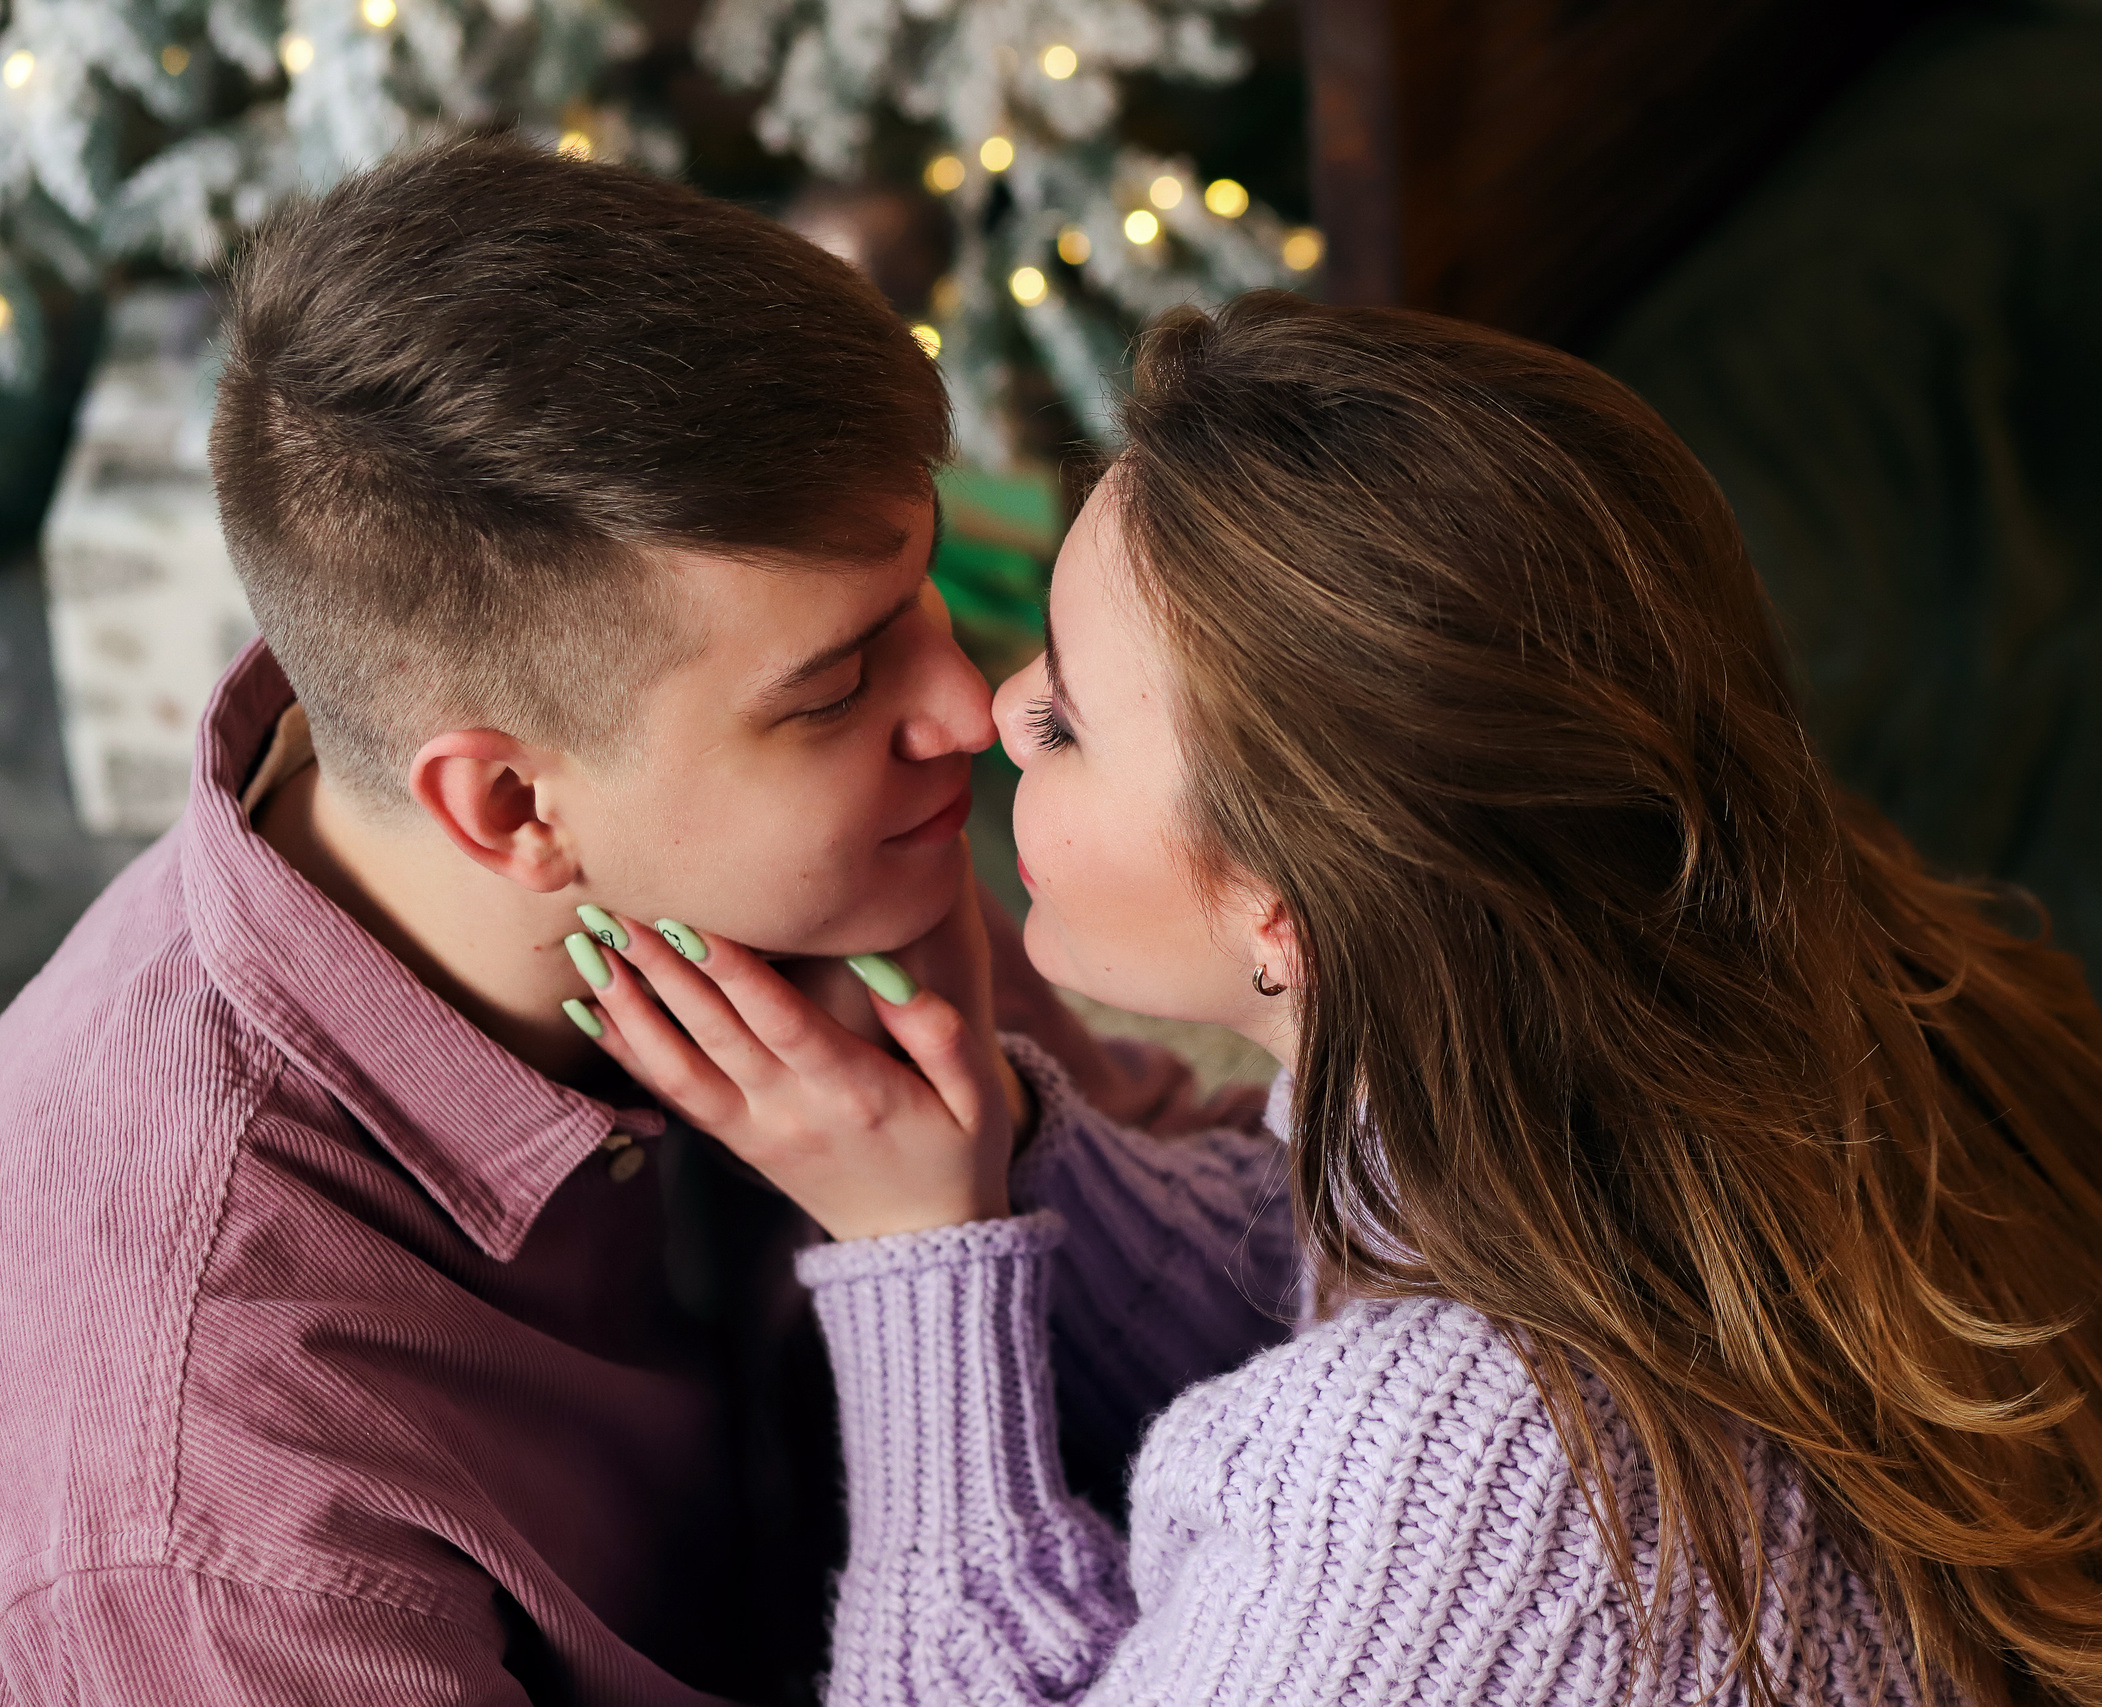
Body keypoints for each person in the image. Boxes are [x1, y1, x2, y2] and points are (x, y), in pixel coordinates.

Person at [573, 293, 2102, 1706]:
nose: (987, 708)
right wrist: (1006, 1147)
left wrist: (916, 1267)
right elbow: (1334, 1260)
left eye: (1070, 721)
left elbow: (1404, 1427)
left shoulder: (1446, 1494)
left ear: (1289, 913)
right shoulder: (1814, 962)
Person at [0, 138, 1284, 1702]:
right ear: (509, 809)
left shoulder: (768, 838)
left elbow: (1255, 1256)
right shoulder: (210, 1513)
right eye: (838, 682)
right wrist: (939, 1264)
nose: (973, 708)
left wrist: (1008, 1138)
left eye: (924, 589)